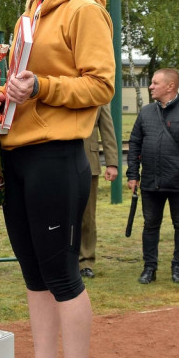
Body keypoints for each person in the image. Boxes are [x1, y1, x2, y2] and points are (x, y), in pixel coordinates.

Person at [0, 0, 114, 358]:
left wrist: (42, 87)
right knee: (34, 271)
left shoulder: (83, 7)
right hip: (18, 151)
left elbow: (101, 85)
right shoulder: (31, 9)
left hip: (57, 156)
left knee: (61, 272)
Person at [126, 68, 179, 284]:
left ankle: (178, 268)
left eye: (155, 83)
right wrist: (133, 174)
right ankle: (149, 269)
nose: (151, 86)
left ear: (170, 86)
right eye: (151, 83)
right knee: (150, 225)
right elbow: (135, 142)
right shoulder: (145, 113)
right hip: (150, 182)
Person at [80, 105, 119, 278]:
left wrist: (112, 163)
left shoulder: (98, 92)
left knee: (87, 217)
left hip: (89, 163)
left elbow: (107, 129)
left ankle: (85, 262)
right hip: (59, 163)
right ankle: (62, 260)